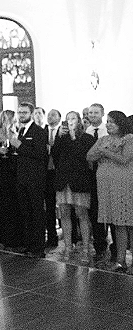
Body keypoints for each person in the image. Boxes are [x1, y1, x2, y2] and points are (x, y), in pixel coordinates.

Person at [87, 110, 133, 273]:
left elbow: (124, 159)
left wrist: (105, 152)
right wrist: (106, 150)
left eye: (112, 121)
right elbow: (90, 156)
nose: (108, 124)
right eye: (107, 121)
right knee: (118, 224)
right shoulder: (103, 139)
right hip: (107, 187)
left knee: (130, 224)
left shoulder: (129, 138)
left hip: (124, 185)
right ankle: (120, 261)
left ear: (121, 123)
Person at [51, 112, 95, 264]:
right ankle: (68, 247)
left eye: (73, 118)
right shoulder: (62, 138)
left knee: (82, 214)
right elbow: (55, 155)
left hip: (80, 180)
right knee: (64, 213)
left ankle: (86, 249)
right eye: (68, 119)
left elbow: (84, 156)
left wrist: (73, 137)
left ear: (79, 121)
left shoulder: (87, 138)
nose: (70, 121)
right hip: (63, 180)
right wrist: (59, 137)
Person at [9, 102, 48, 257]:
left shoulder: (38, 131)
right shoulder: (20, 130)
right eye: (19, 112)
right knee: (25, 212)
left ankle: (39, 248)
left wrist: (19, 146)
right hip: (22, 177)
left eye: (24, 112)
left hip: (35, 178)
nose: (21, 115)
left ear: (31, 114)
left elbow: (40, 154)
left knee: (37, 213)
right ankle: (29, 244)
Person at [85, 102, 111, 261]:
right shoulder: (85, 132)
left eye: (96, 112)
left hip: (107, 174)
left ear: (102, 114)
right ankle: (99, 245)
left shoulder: (107, 131)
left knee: (109, 209)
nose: (92, 115)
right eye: (90, 113)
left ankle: (114, 245)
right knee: (94, 211)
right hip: (89, 176)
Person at [0, 109, 21, 248]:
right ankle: (5, 235)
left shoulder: (17, 132)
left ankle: (17, 235)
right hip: (4, 169)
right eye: (8, 118)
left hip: (16, 169)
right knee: (5, 201)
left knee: (16, 201)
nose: (10, 121)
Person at [43, 108, 62, 248]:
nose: (50, 117)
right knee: (49, 206)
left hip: (59, 172)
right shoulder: (42, 131)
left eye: (53, 115)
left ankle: (72, 238)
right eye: (49, 115)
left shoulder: (63, 131)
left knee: (65, 206)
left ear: (59, 118)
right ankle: (51, 236)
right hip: (46, 173)